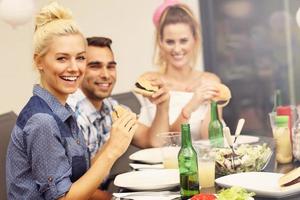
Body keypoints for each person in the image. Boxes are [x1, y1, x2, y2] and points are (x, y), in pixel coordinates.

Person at [6, 2, 137, 200]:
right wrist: (112, 149)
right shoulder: (43, 121)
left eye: (80, 58)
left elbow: (80, 183)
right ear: (39, 61)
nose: (75, 68)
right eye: (62, 58)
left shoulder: (62, 110)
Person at [67, 36, 170, 160]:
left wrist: (162, 106)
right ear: (79, 70)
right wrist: (113, 145)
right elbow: (79, 179)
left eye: (110, 67)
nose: (105, 75)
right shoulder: (71, 115)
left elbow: (155, 142)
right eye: (95, 66)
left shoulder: (111, 107)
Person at [137, 0, 224, 140]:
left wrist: (212, 105)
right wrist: (192, 104)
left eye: (183, 41)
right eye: (170, 42)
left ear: (195, 39)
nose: (177, 49)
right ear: (160, 42)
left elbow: (212, 140)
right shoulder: (151, 82)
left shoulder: (210, 80)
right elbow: (164, 140)